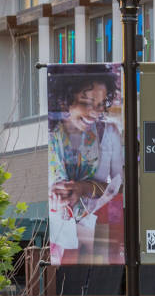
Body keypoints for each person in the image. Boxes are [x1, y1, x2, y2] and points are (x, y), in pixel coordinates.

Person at [47, 69, 125, 265]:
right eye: (87, 102)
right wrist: (56, 194)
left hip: (100, 234)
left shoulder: (108, 134)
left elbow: (120, 188)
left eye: (99, 105)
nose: (95, 113)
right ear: (65, 99)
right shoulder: (49, 138)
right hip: (59, 237)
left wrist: (83, 188)